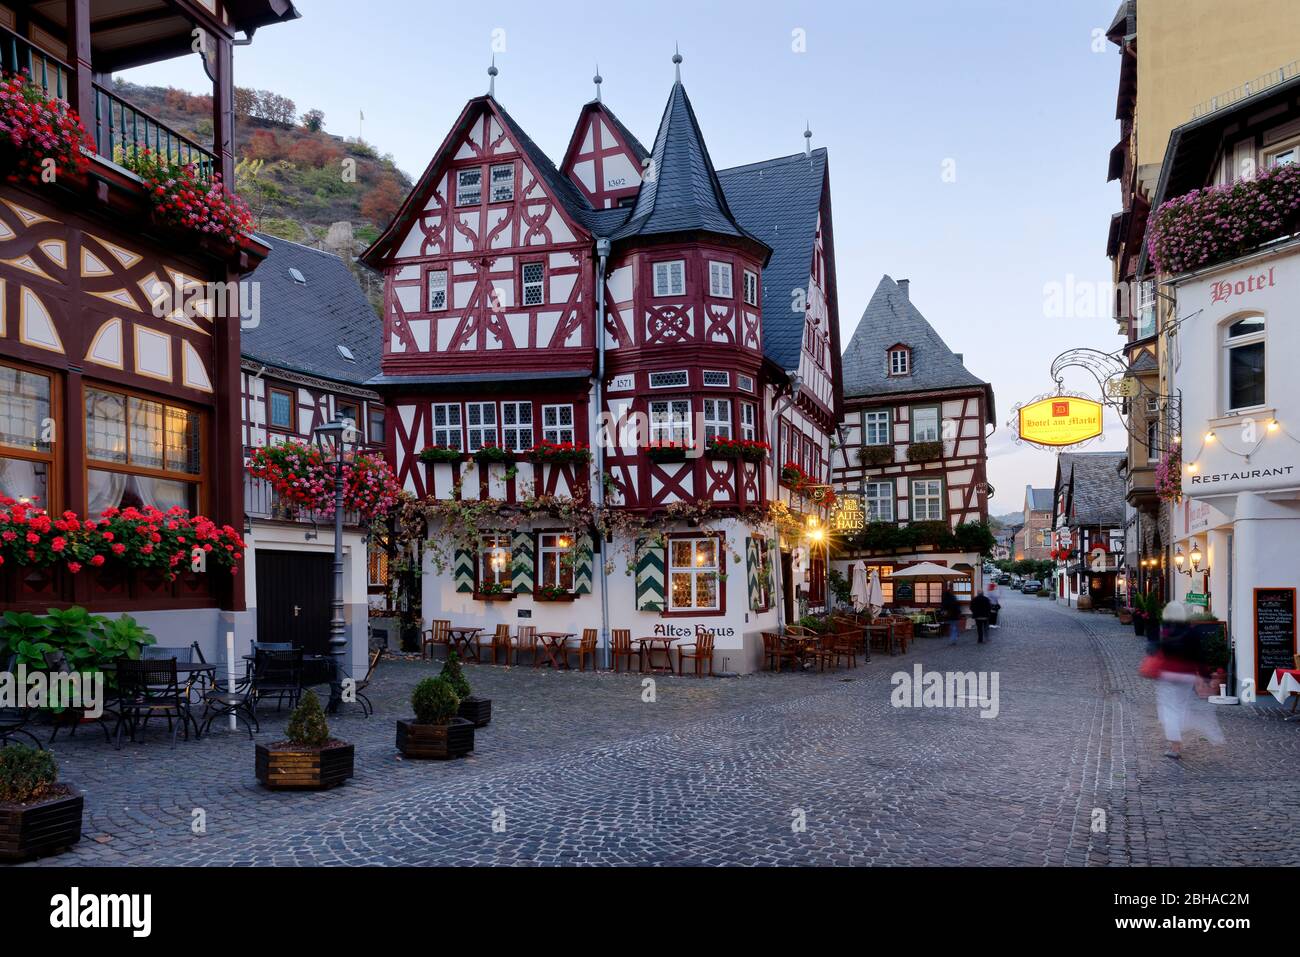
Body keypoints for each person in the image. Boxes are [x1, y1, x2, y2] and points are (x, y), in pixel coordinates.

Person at [1146, 601, 1225, 760]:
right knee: (1181, 708)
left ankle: (1176, 747)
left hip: (1167, 675)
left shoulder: (1162, 629)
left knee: (1169, 711)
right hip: (1187, 676)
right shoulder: (1192, 631)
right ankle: (1202, 726)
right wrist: (1206, 676)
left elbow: (1151, 649)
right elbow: (1199, 656)